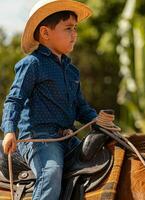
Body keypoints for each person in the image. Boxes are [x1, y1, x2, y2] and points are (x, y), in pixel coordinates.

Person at [1, 0, 101, 199]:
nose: (75, 34)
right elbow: (14, 99)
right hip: (39, 138)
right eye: (68, 28)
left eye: (75, 28)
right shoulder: (32, 64)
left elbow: (81, 107)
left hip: (67, 137)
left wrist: (98, 120)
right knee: (51, 172)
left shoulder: (72, 72)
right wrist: (9, 130)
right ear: (46, 33)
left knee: (103, 156)